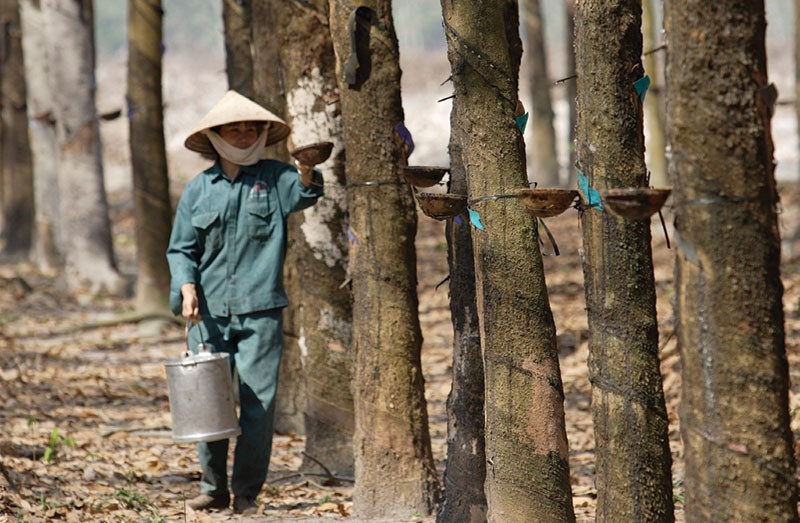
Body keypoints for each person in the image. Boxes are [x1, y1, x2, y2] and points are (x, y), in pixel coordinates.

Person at [166, 90, 323, 515]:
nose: (243, 133)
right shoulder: (199, 189)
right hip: (208, 315)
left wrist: (306, 167)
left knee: (259, 406)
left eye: (250, 127)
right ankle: (213, 489)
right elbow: (181, 250)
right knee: (208, 402)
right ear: (216, 135)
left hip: (261, 313)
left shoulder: (275, 178)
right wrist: (186, 287)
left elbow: (304, 194)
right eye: (234, 128)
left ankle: (247, 494)